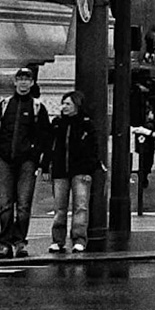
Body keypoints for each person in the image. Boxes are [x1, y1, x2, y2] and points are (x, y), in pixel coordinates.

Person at [0, 67, 49, 259]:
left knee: (23, 205)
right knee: (6, 205)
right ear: (15, 82)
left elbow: (44, 136)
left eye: (27, 79)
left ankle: (20, 242)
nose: (23, 83)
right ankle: (4, 243)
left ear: (32, 83)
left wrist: (36, 157)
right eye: (20, 79)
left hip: (27, 162)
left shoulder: (38, 108)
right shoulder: (4, 105)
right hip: (5, 160)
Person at [44, 91, 96, 253]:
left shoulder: (86, 124)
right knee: (60, 207)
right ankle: (57, 240)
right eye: (64, 103)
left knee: (80, 206)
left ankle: (79, 239)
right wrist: (46, 166)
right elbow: (49, 147)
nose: (64, 107)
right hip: (60, 169)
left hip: (80, 170)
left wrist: (89, 169)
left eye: (68, 104)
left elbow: (93, 149)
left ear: (77, 105)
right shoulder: (58, 123)